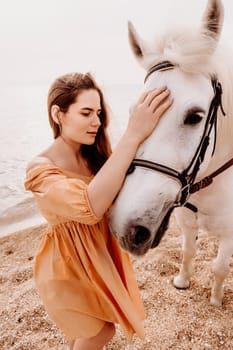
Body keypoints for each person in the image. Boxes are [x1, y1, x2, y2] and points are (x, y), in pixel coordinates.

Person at [24, 72, 172, 350]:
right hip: (66, 265)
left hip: (97, 257)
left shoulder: (94, 156)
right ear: (58, 114)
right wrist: (133, 133)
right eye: (86, 113)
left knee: (82, 337)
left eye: (99, 113)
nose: (97, 122)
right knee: (100, 332)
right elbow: (90, 207)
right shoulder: (39, 168)